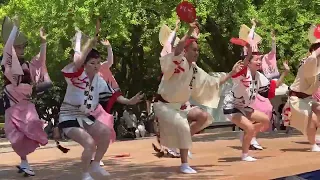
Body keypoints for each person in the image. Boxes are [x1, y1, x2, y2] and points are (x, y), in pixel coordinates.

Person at [58, 19, 144, 180]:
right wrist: (93, 38)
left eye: (98, 62)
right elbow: (78, 60)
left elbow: (114, 95)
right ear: (84, 64)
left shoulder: (99, 80)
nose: (97, 66)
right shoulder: (76, 75)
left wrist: (129, 101)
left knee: (106, 132)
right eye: (92, 63)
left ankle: (96, 163)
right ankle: (85, 174)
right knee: (89, 143)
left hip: (86, 116)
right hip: (69, 116)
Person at [153, 20, 243, 174]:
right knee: (182, 125)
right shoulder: (177, 61)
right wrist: (188, 31)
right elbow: (178, 48)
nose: (197, 53)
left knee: (206, 118)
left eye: (198, 50)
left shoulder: (195, 69)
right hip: (163, 105)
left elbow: (212, 82)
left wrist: (231, 73)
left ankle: (180, 144)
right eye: (194, 50)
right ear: (185, 51)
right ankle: (184, 164)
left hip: (180, 106)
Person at [223, 22, 290, 162]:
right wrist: (247, 50)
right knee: (250, 128)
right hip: (232, 107)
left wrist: (285, 72)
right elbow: (243, 64)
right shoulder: (242, 72)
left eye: (260, 59)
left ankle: (246, 133)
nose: (259, 61)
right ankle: (245, 154)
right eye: (256, 59)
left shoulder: (260, 77)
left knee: (266, 121)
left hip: (244, 107)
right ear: (249, 62)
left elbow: (275, 85)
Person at [1, 16, 52, 176]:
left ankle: (24, 163)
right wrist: (15, 27)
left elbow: (41, 60)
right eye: (18, 47)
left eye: (23, 47)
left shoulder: (28, 65)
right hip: (13, 104)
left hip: (26, 104)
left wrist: (43, 42)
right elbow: (7, 49)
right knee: (16, 136)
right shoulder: (8, 63)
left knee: (32, 127)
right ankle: (24, 163)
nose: (21, 50)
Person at [285, 24, 320, 151]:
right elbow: (312, 58)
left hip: (308, 99)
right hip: (297, 99)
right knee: (312, 118)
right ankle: (313, 145)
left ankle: (316, 137)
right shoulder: (309, 61)